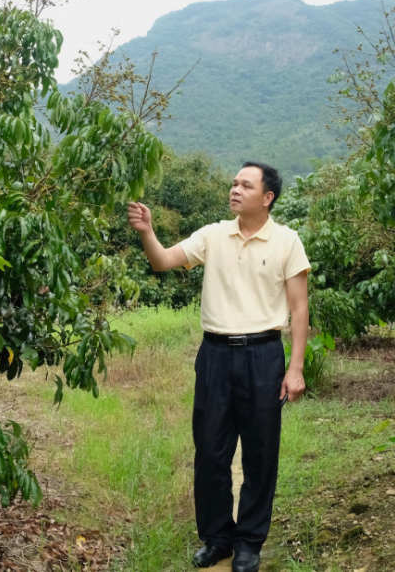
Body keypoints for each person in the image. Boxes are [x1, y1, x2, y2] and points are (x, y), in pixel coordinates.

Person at [127, 161, 310, 572]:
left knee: (260, 452)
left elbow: (299, 309)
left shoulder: (286, 241)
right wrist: (147, 233)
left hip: (263, 355)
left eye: (246, 185)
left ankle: (249, 541)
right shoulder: (213, 235)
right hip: (214, 355)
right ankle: (217, 538)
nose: (235, 189)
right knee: (210, 451)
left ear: (268, 197)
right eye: (233, 183)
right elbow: (163, 261)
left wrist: (294, 368)